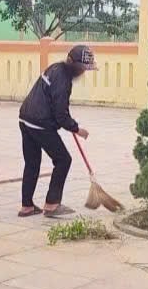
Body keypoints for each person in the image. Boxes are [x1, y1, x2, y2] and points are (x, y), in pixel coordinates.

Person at [17, 45, 96, 218]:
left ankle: (27, 206)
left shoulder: (55, 68)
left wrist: (67, 118)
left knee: (32, 163)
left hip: (25, 118)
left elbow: (56, 104)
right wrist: (76, 128)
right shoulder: (63, 80)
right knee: (63, 160)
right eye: (82, 68)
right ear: (72, 63)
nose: (83, 71)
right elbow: (60, 115)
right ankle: (52, 205)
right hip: (40, 123)